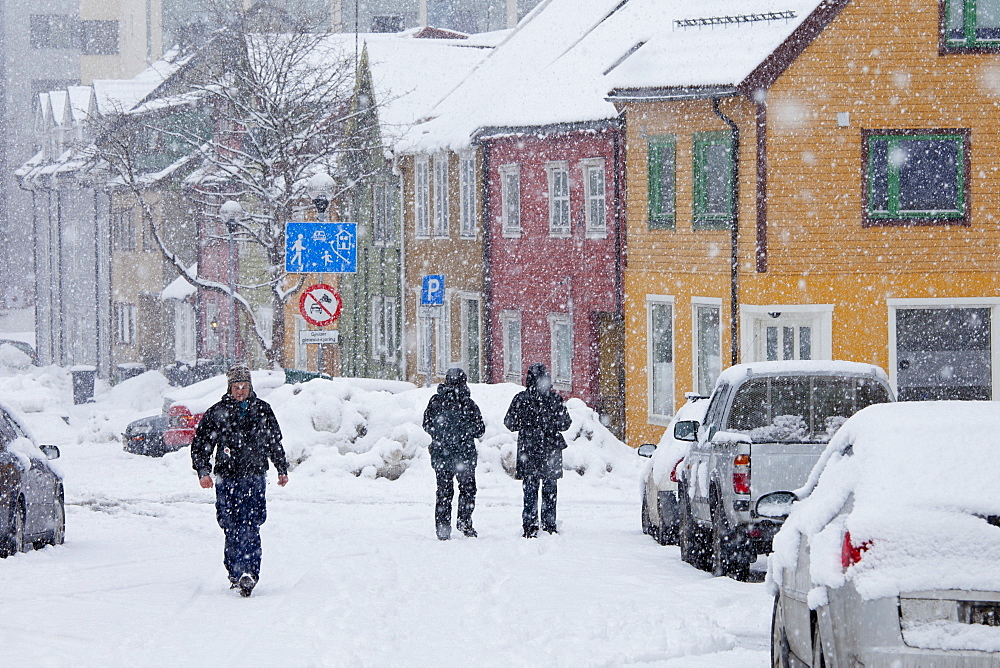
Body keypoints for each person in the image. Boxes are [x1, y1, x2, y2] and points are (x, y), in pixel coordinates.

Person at [191, 364, 289, 597]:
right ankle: (235, 571)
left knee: (251, 523)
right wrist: (203, 471)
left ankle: (249, 572)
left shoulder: (262, 410)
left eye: (244, 386)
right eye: (236, 387)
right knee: (230, 524)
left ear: (250, 386)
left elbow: (274, 441)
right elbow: (201, 444)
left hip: (254, 476)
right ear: (230, 387)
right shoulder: (217, 412)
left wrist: (281, 468)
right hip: (227, 478)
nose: (240, 391)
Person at [504, 363, 572, 538]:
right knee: (550, 488)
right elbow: (566, 424)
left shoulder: (521, 398)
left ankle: (530, 525)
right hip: (551, 448)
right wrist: (549, 425)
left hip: (529, 448)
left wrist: (527, 426)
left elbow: (509, 423)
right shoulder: (554, 399)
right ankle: (549, 524)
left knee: (530, 488)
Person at [422, 367, 485, 541]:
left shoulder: (436, 401)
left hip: (442, 455)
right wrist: (464, 433)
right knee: (468, 489)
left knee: (443, 491)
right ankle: (464, 521)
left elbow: (426, 424)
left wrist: (441, 434)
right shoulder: (468, 404)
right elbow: (480, 429)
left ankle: (443, 527)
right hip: (464, 455)